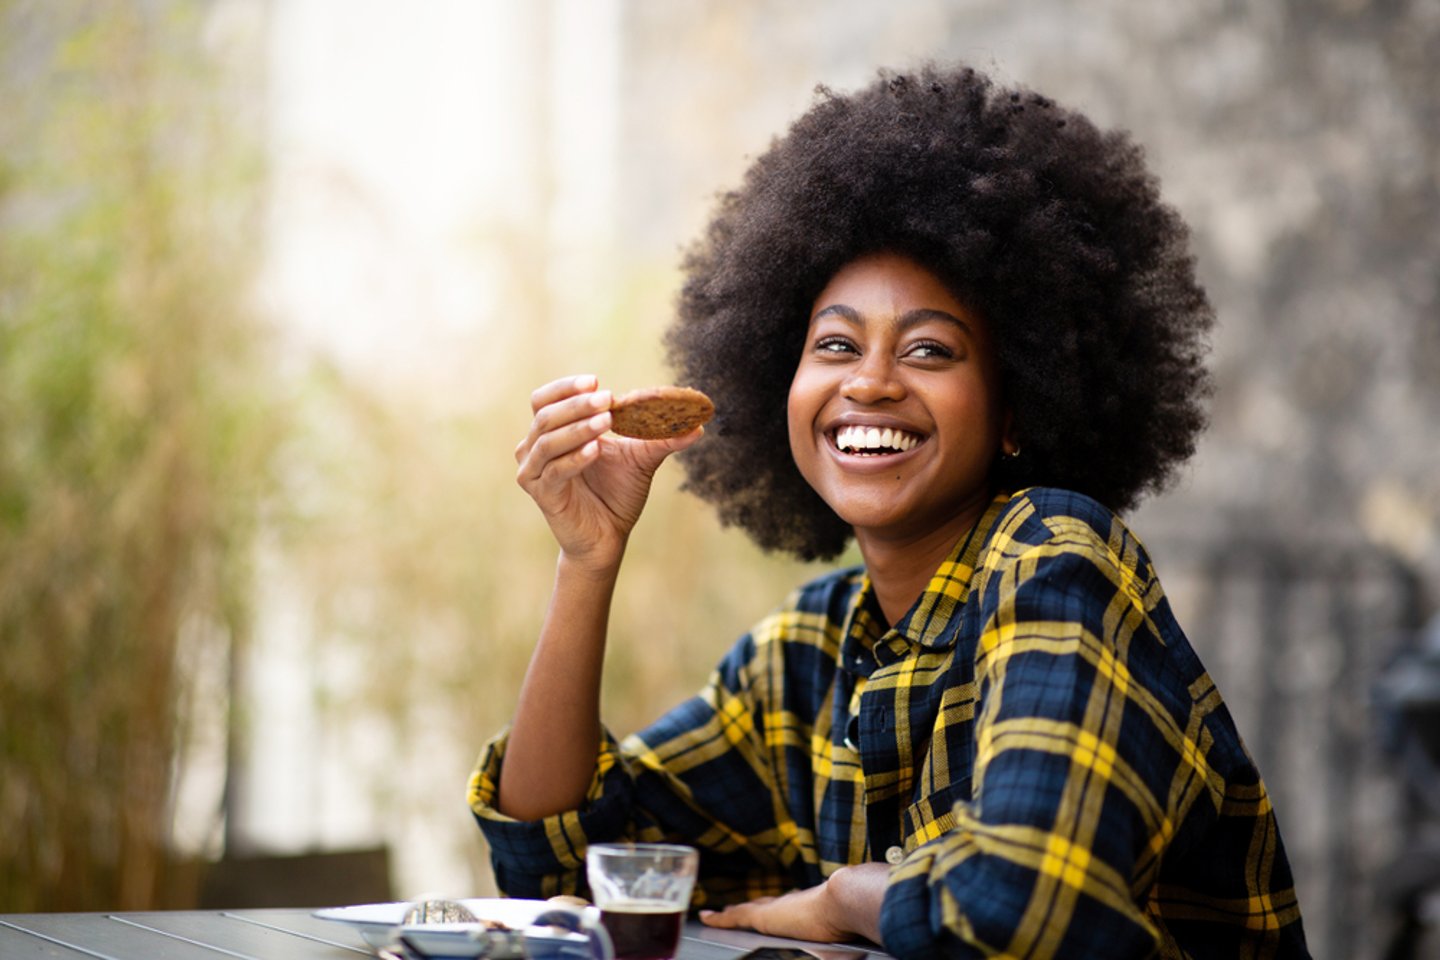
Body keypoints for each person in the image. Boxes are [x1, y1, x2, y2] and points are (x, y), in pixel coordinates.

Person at [468, 62, 1311, 959]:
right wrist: (587, 564)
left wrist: (849, 898)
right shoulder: (806, 655)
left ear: (1017, 406)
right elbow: (568, 877)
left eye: (930, 349)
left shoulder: (1056, 560)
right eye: (834, 343)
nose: (868, 382)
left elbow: (1026, 910)